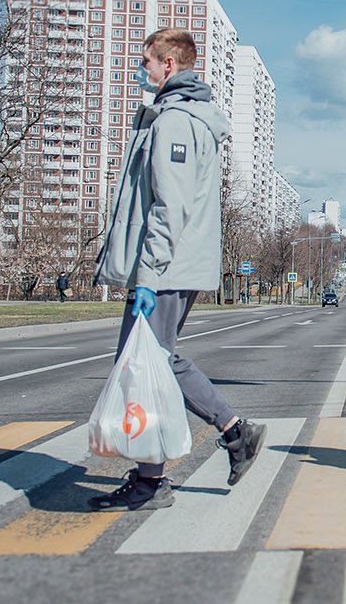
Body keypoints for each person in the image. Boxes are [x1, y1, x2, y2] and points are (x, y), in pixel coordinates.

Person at [89, 28, 265, 512]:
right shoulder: (178, 118)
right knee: (154, 361)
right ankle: (222, 440)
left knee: (146, 365)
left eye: (146, 61)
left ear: (168, 64)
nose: (140, 69)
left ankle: (171, 471)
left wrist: (147, 275)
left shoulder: (174, 122)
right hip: (171, 266)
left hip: (165, 269)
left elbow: (170, 206)